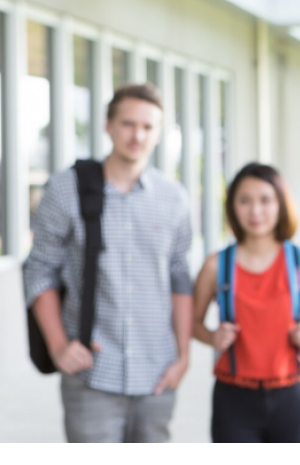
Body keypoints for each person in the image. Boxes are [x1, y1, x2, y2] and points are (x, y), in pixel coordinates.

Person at [23, 83, 193, 443]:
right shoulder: (65, 189)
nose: (138, 135)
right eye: (128, 124)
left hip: (157, 374)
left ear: (159, 133)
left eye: (148, 127)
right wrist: (57, 346)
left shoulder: (174, 198)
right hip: (92, 374)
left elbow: (180, 278)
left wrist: (183, 356)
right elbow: (40, 269)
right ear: (109, 126)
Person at [193, 162, 300, 443]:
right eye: (244, 201)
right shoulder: (216, 265)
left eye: (265, 200)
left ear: (280, 204)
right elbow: (192, 323)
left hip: (290, 397)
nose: (255, 211)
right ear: (232, 207)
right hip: (232, 398)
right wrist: (213, 337)